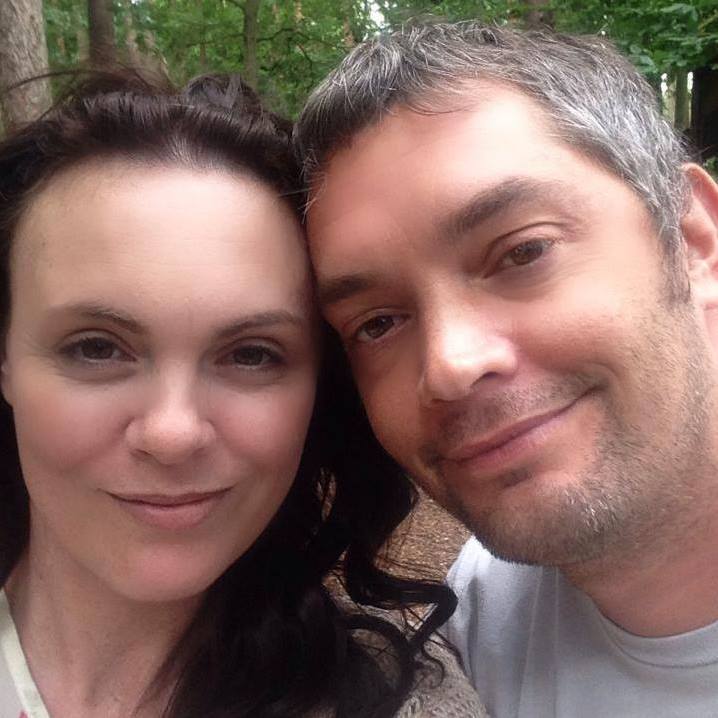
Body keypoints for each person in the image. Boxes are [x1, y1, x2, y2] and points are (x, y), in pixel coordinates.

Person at [0, 70, 484, 717]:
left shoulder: (402, 702)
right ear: (6, 358)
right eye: (96, 348)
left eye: (251, 354)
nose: (172, 433)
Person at [296, 20, 718, 718]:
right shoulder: (483, 619)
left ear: (694, 241)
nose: (449, 365)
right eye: (377, 323)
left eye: (522, 252)